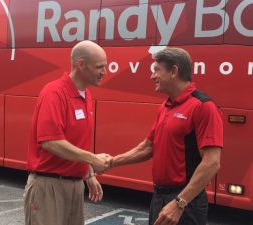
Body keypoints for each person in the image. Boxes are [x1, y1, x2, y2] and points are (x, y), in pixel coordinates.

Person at [109, 47, 223, 225]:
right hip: (159, 197)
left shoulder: (203, 106)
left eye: (157, 70)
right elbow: (148, 147)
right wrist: (111, 162)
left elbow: (212, 162)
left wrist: (179, 203)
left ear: (174, 71)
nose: (152, 76)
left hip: (185, 201)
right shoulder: (166, 106)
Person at [24, 40, 112, 225]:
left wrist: (89, 174)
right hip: (49, 187)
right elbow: (50, 141)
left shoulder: (85, 95)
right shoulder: (54, 92)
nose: (104, 71)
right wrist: (92, 159)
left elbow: (75, 142)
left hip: (74, 186)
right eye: (99, 67)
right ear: (80, 64)